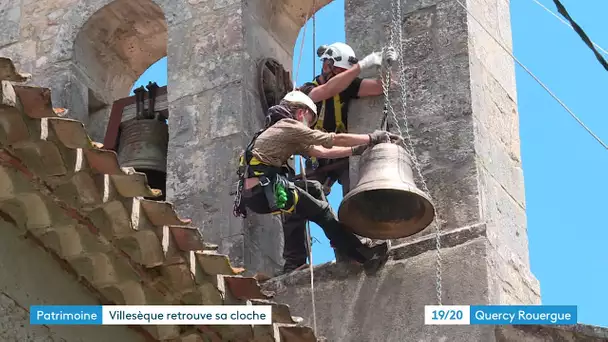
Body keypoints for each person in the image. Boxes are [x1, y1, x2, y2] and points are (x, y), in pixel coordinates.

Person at [232, 91, 402, 273]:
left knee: (312, 188)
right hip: (265, 191)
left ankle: (294, 262)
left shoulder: (277, 132)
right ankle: (361, 255)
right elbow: (331, 140)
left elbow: (323, 152)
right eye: (309, 120)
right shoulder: (288, 126)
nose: (309, 126)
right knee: (322, 212)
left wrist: (356, 149)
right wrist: (371, 138)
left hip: (259, 193)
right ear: (301, 113)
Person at [279, 42, 399, 273]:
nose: (343, 77)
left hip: (340, 155)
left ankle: (350, 251)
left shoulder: (347, 86)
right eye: (339, 72)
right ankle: (294, 261)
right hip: (317, 157)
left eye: (345, 73)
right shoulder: (306, 92)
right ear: (328, 66)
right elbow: (326, 92)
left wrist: (385, 66)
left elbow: (384, 86)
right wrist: (363, 65)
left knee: (352, 197)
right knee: (297, 203)